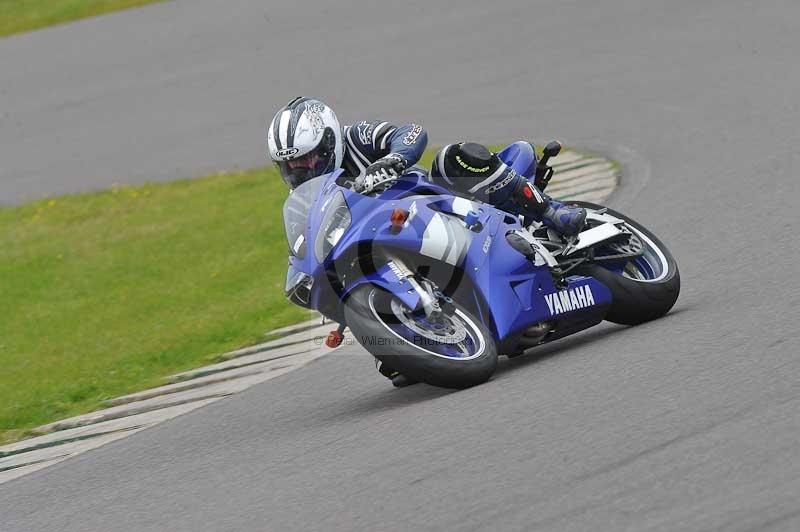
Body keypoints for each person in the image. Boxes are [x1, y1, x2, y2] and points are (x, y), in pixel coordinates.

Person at [267, 97, 586, 235]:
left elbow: (412, 134)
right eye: (292, 165)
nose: (303, 169)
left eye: (308, 158)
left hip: (441, 203)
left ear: (329, 141)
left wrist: (391, 161)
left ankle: (550, 211)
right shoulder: (309, 202)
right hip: (396, 237)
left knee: (452, 158)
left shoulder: (357, 137)